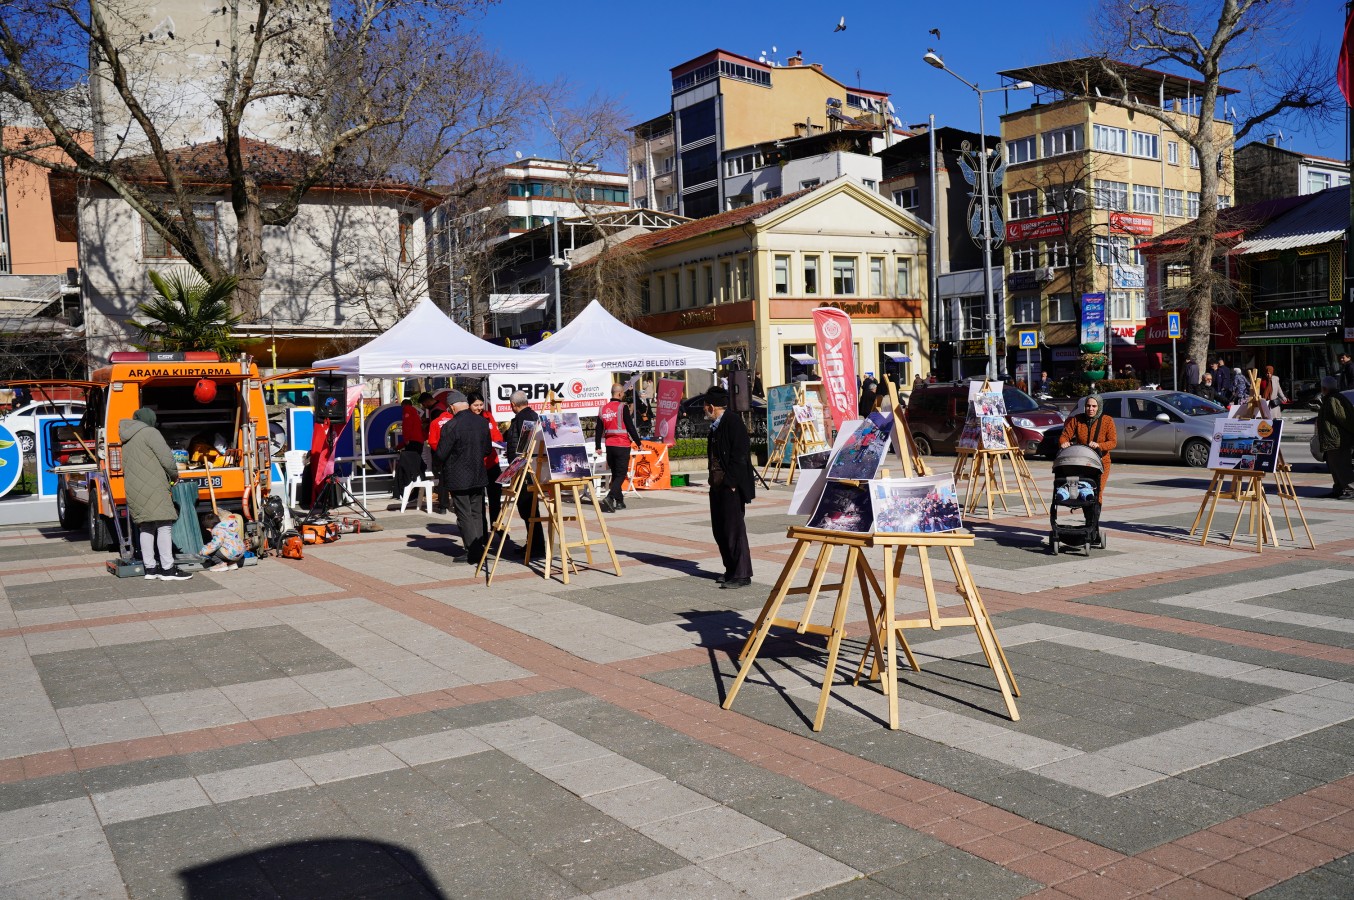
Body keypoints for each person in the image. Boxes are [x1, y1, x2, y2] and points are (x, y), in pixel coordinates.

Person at [120, 407, 191, 581]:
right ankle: (167, 569)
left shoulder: (126, 437)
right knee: (164, 526)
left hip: (134, 487)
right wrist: (175, 475)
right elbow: (166, 458)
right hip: (154, 486)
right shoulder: (150, 432)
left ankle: (150, 569)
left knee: (146, 526)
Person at [432, 390, 491, 562]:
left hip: (458, 475)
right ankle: (479, 549)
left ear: (451, 407)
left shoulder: (451, 425)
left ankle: (473, 552)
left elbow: (441, 454)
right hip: (478, 473)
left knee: (464, 513)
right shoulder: (482, 422)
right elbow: (487, 449)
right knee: (477, 513)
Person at [705, 386, 754, 589]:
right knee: (720, 530)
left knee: (734, 530)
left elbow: (740, 455)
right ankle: (730, 569)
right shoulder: (717, 425)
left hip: (730, 486)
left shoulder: (733, 422)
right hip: (717, 485)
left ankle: (742, 574)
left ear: (711, 407)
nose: (704, 411)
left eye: (705, 407)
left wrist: (732, 483)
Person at [503, 390, 544, 555]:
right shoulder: (533, 415)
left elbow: (524, 448)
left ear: (512, 405)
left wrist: (516, 465)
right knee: (531, 508)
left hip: (525, 470)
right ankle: (535, 544)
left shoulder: (522, 419)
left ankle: (536, 546)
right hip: (530, 468)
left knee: (528, 508)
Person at [1060, 395, 1117, 499]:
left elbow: (1113, 442)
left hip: (1101, 463)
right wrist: (1064, 442)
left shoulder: (1107, 420)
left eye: (1094, 406)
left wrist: (1099, 445)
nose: (1091, 409)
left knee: (1097, 492)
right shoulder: (1077, 419)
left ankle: (1095, 513)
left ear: (1099, 407)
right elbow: (1064, 436)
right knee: (1082, 491)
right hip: (1082, 462)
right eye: (1088, 406)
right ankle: (1086, 511)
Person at [596, 382, 642, 513]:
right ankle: (610, 497)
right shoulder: (622, 407)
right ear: (620, 393)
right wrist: (638, 442)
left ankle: (620, 501)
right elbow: (630, 426)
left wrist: (598, 446)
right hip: (622, 445)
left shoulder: (602, 409)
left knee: (615, 474)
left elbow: (598, 429)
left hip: (609, 446)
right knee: (621, 474)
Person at [467, 392, 504, 524]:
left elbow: (497, 436)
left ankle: (497, 525)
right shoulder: (467, 419)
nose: (479, 408)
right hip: (476, 464)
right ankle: (481, 529)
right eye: (475, 405)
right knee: (478, 499)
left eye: (481, 404)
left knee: (495, 496)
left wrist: (498, 443)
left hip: (492, 462)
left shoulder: (488, 416)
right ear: (469, 405)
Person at [1316, 376, 1354, 499]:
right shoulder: (1329, 399)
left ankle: (1350, 489)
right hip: (1332, 441)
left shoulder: (1334, 399)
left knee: (1342, 466)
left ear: (1324, 388)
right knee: (1335, 466)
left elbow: (1345, 419)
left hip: (1338, 440)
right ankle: (1338, 489)